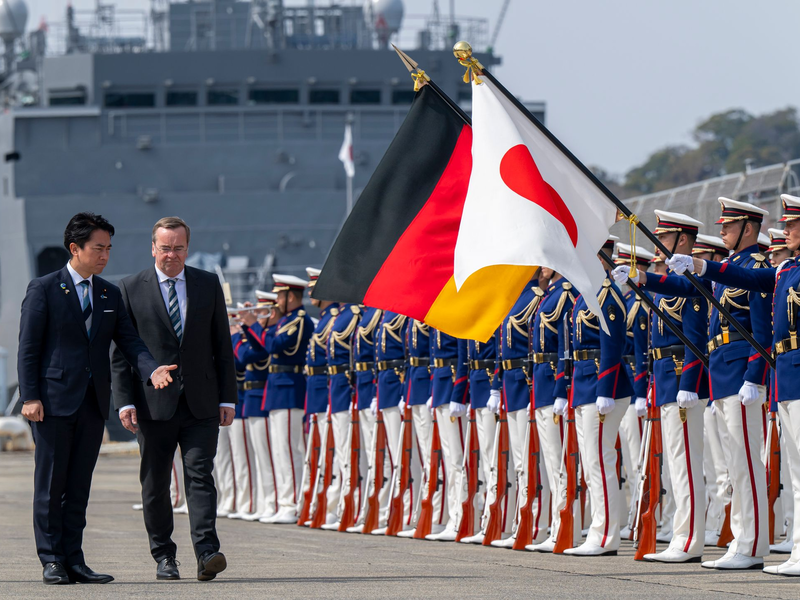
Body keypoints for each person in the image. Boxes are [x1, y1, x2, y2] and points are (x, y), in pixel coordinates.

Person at [18, 212, 175, 585]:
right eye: (97, 248)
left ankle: (74, 559)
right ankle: (52, 559)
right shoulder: (44, 288)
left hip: (91, 404)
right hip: (53, 403)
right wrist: (30, 396)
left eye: (108, 248)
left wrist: (151, 370)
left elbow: (129, 340)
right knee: (51, 484)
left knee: (78, 486)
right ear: (75, 248)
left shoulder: (108, 292)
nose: (104, 255)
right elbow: (28, 347)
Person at [661, 194, 799, 575]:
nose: (721, 229)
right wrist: (648, 277)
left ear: (748, 229)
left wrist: (754, 376)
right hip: (726, 373)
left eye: (729, 225)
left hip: (745, 374)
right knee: (737, 465)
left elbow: (761, 327)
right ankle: (744, 540)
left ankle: (751, 542)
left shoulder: (760, 265)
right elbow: (698, 291)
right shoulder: (750, 267)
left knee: (746, 464)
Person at [111, 216, 237, 582]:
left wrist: (227, 398)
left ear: (187, 248)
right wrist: (125, 402)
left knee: (200, 477)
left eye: (178, 247)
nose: (172, 254)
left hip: (201, 404)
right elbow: (121, 354)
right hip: (153, 405)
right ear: (153, 248)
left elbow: (222, 347)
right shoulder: (130, 288)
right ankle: (165, 556)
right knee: (154, 484)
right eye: (165, 247)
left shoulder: (207, 284)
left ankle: (207, 552)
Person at [613, 212, 709, 563]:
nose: (658, 244)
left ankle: (689, 540)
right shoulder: (670, 280)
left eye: (664, 238)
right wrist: (640, 277)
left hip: (683, 379)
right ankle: (682, 536)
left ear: (682, 241)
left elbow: (696, 335)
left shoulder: (692, 281)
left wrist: (689, 382)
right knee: (674, 464)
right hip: (664, 380)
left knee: (685, 464)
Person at [561, 238, 633, 557]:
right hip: (586, 385)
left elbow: (612, 345)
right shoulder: (586, 294)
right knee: (592, 462)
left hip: (605, 388)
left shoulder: (607, 295)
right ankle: (599, 530)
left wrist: (604, 389)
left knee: (600, 461)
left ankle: (605, 536)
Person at [257, 274, 314, 524]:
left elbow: (277, 346)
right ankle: (285, 502)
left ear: (291, 296)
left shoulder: (299, 320)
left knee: (290, 450)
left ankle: (292, 504)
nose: (276, 300)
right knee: (280, 451)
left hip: (290, 387)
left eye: (280, 295)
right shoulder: (286, 320)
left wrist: (265, 326)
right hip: (279, 389)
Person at [527, 269, 574, 553]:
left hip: (553, 383)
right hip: (541, 383)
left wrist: (560, 388)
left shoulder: (564, 294)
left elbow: (565, 347)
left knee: (559, 464)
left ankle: (562, 527)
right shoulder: (548, 296)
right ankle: (556, 526)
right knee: (550, 463)